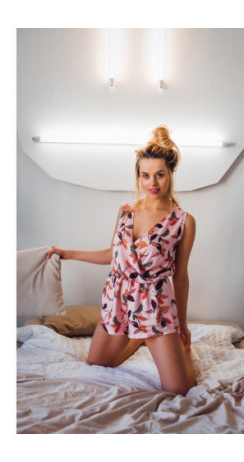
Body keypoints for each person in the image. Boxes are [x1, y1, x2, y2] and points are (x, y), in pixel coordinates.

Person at [47, 125, 197, 395]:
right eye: (145, 175)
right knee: (97, 364)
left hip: (155, 306)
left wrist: (182, 325)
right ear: (138, 176)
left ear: (171, 174)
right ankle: (135, 339)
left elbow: (181, 276)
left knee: (179, 390)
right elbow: (114, 255)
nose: (152, 183)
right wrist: (69, 253)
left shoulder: (183, 221)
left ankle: (171, 347)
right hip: (118, 300)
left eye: (160, 174)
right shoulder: (126, 210)